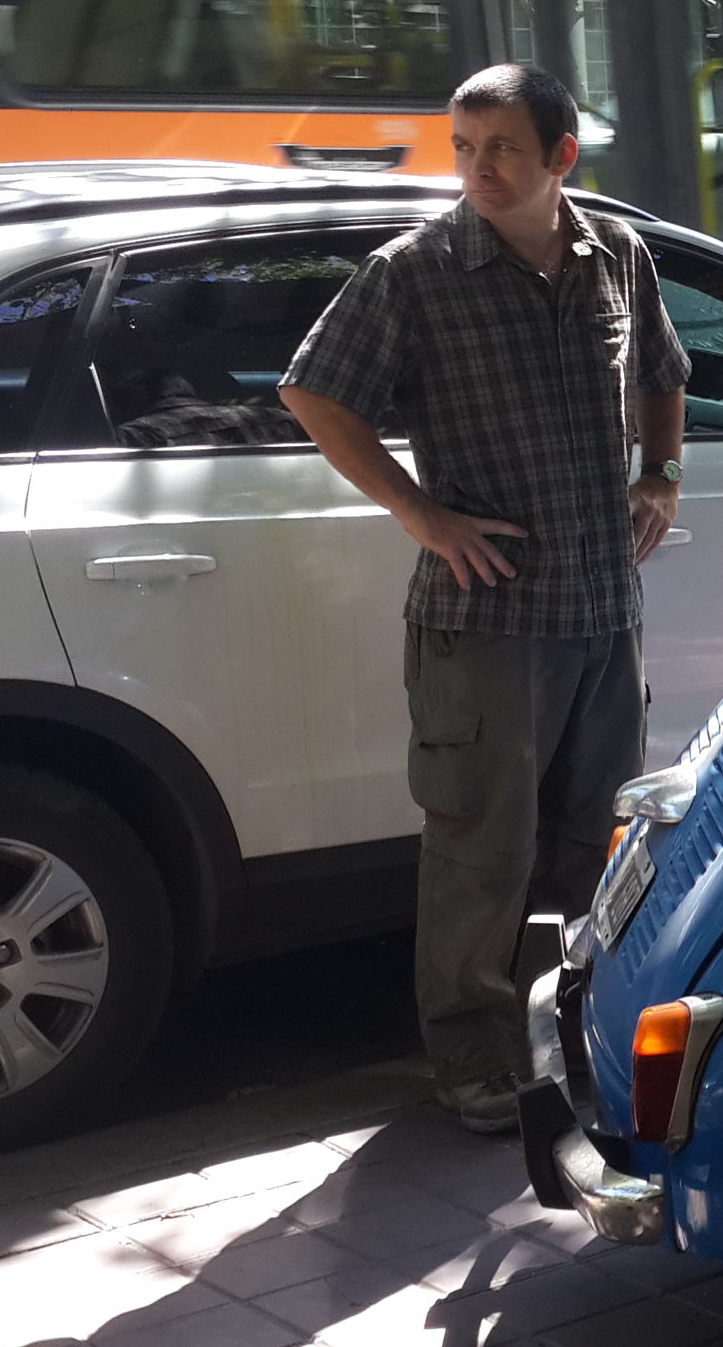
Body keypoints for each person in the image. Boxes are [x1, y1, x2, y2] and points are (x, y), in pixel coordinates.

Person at [280, 63, 690, 1135]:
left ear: (561, 156)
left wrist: (660, 474)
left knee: (595, 841)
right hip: (489, 620)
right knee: (481, 851)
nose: (478, 169)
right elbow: (312, 391)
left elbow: (663, 371)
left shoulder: (619, 255)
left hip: (603, 611)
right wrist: (422, 515)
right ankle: (474, 1059)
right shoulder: (414, 273)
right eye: (464, 148)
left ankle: (575, 1030)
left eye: (502, 147)